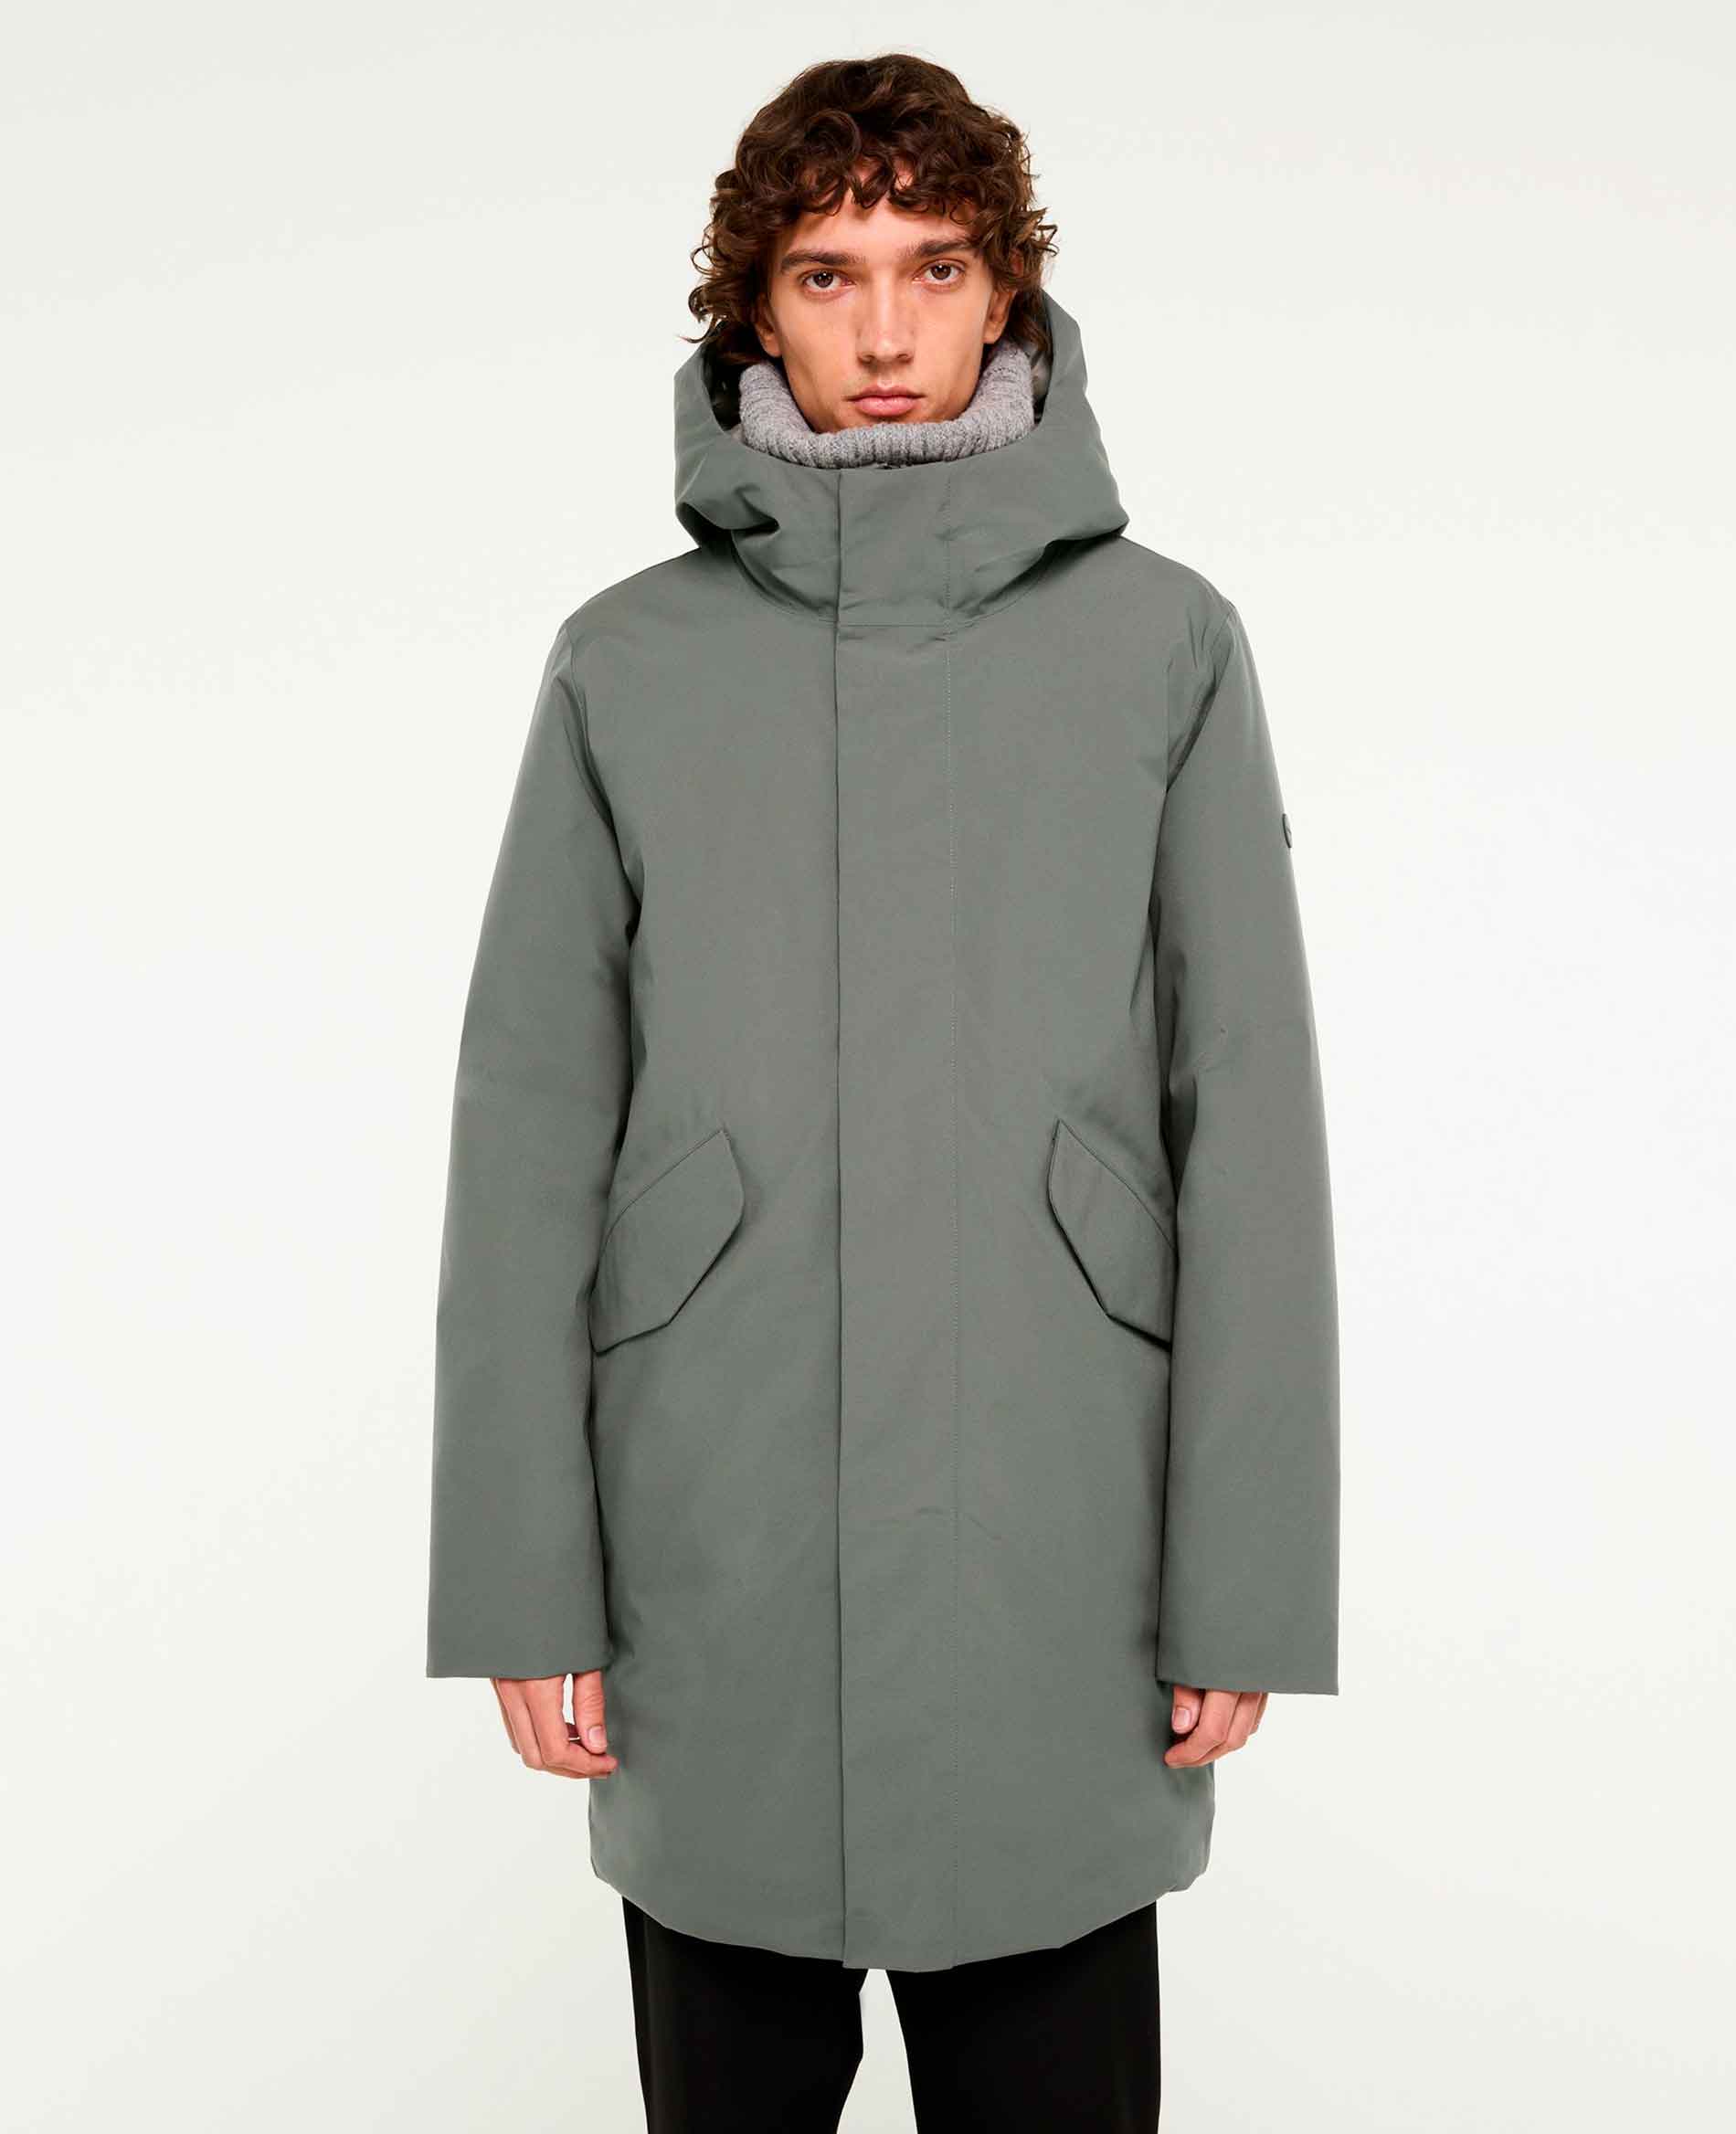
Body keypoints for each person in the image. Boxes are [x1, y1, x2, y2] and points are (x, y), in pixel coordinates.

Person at [426, 50, 1339, 2133]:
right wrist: (521, 1583)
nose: (886, 328)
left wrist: (1247, 1581)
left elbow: (1248, 1118)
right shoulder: (624, 664)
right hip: (714, 1531)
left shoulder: (1165, 647)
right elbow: (529, 1128)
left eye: (933, 266)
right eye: (827, 276)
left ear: (1006, 290)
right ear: (754, 310)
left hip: (1059, 1540)